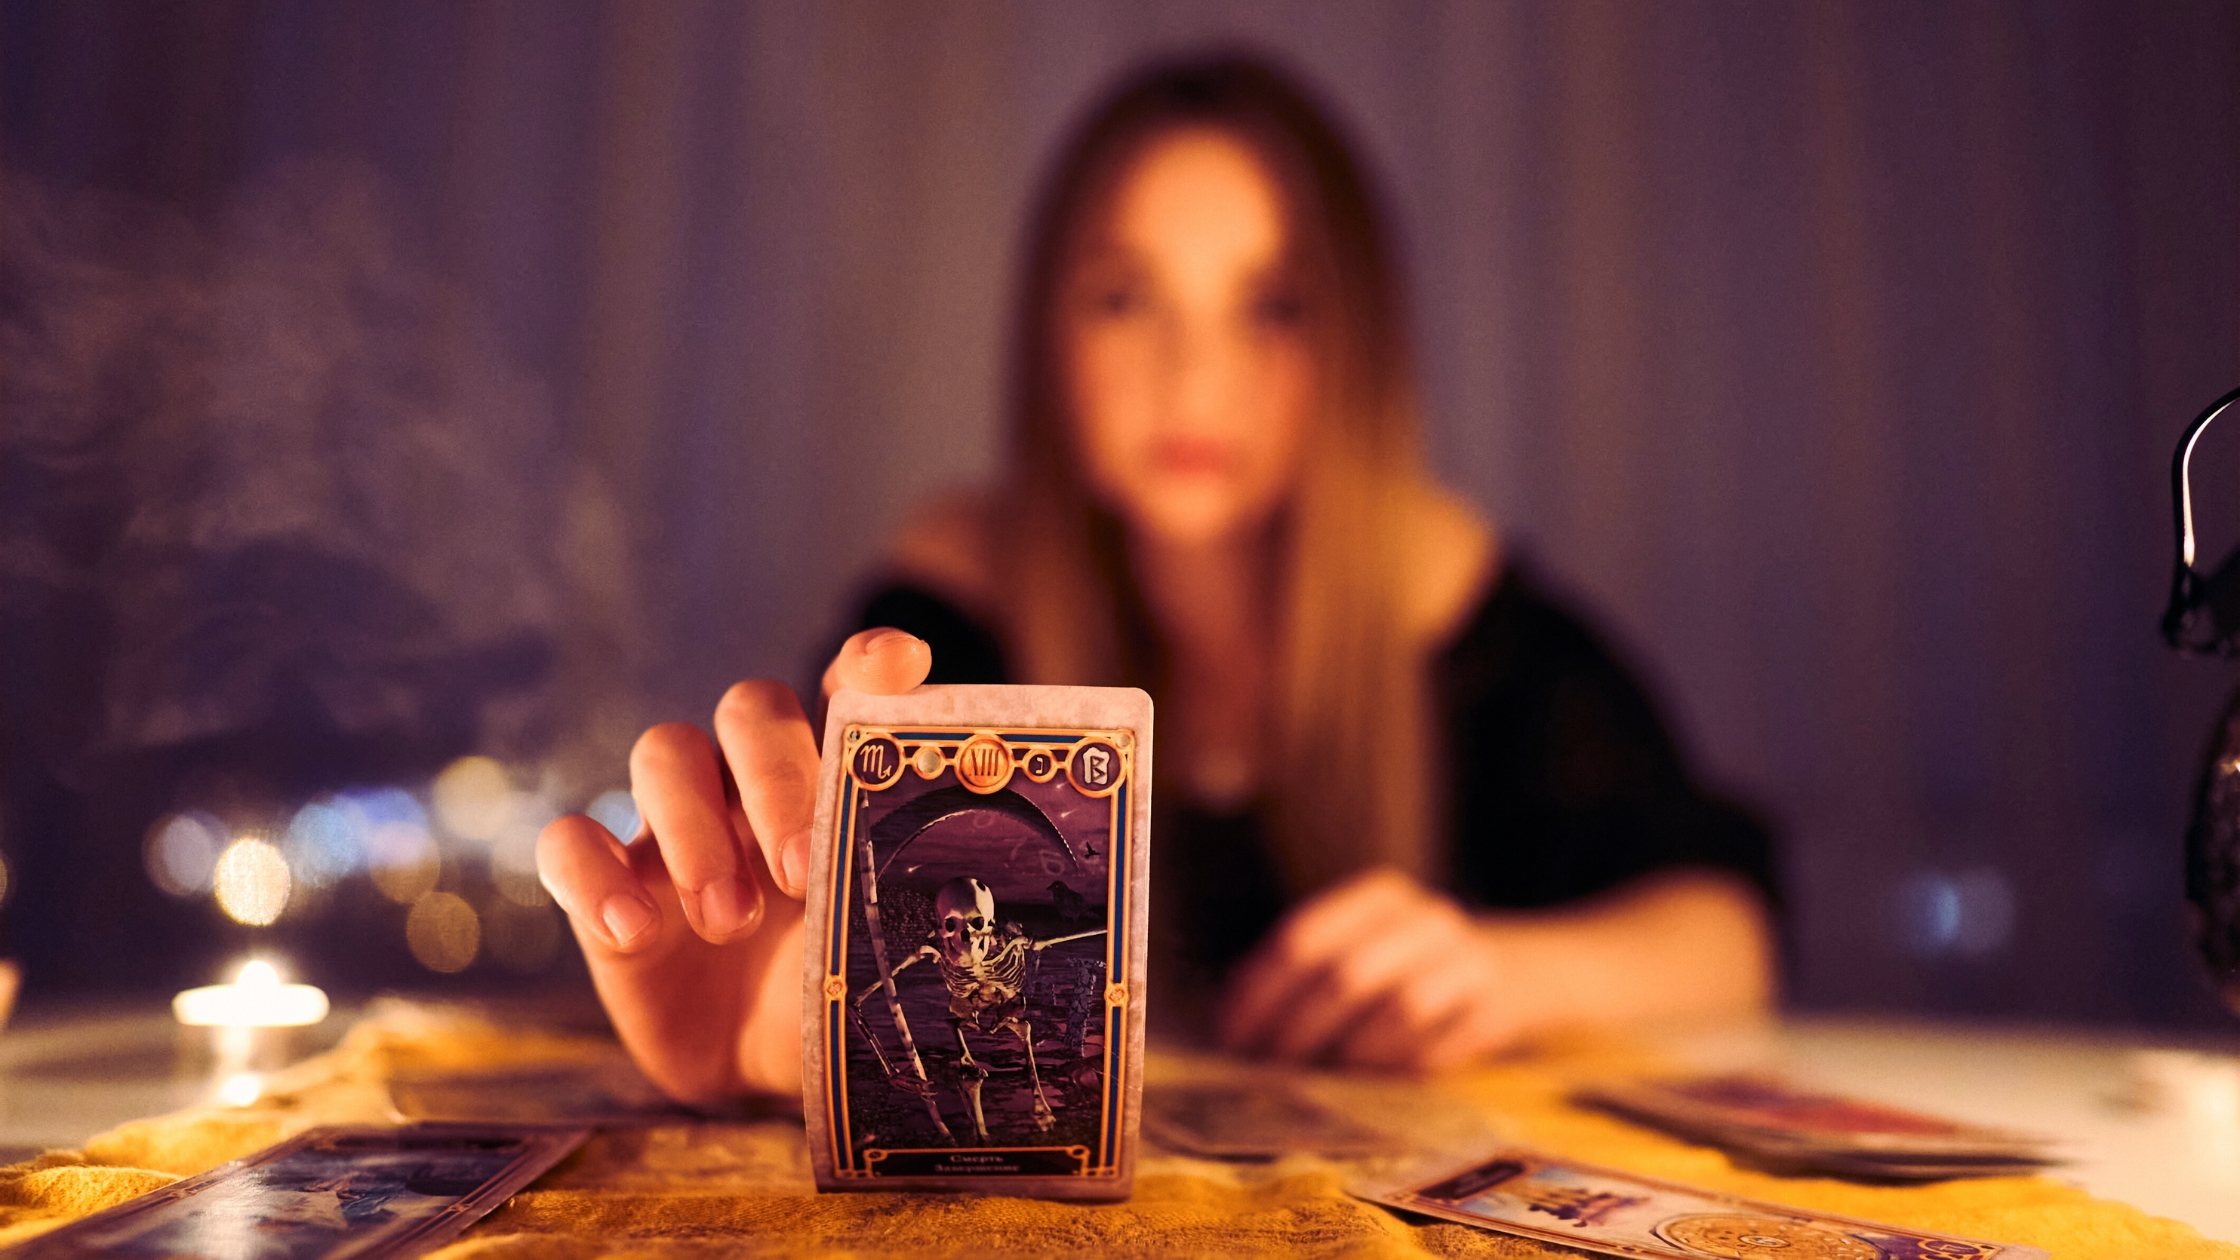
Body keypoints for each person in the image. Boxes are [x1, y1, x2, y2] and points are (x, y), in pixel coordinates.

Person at [536, 55, 1777, 1104]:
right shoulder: (955, 607)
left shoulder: (1442, 599)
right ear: (1046, 334)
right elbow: (831, 924)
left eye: (1273, 306)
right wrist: (786, 996)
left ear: (1355, 345)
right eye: (1126, 298)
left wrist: (1508, 975)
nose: (1192, 377)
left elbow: (1726, 932)